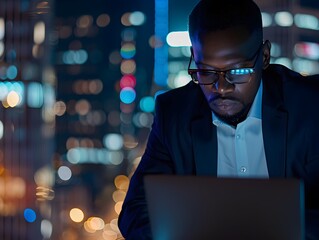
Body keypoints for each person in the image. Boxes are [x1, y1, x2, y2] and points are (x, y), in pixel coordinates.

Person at [118, 0, 319, 239]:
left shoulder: (310, 106)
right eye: (206, 72)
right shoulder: (174, 114)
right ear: (193, 57)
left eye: (238, 71)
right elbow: (135, 210)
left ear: (264, 57)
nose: (221, 88)